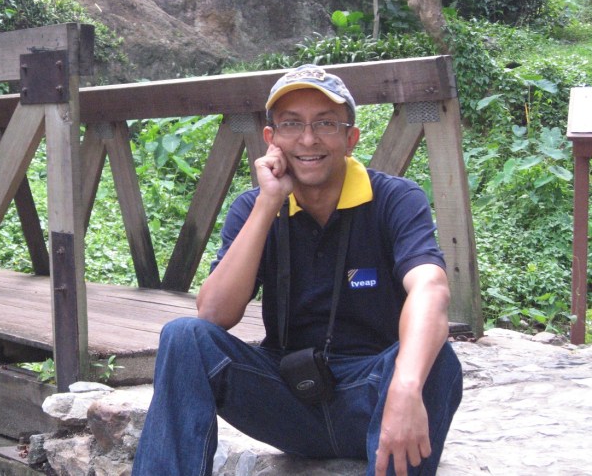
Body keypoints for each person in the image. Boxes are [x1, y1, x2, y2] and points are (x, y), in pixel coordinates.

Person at [132, 64, 463, 476]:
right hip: (288, 396)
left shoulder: (395, 200)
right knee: (183, 337)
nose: (308, 139)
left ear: (350, 138)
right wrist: (268, 204)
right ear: (271, 140)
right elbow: (214, 315)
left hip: (374, 395)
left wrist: (405, 386)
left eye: (325, 123)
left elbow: (430, 288)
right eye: (292, 125)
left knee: (436, 358)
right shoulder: (252, 209)